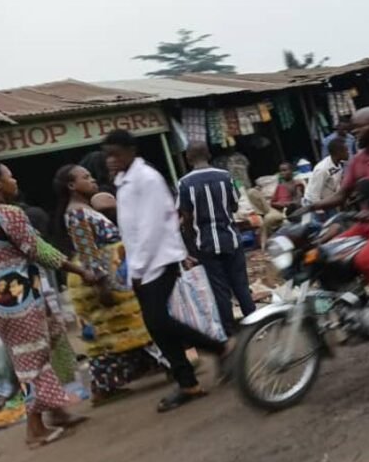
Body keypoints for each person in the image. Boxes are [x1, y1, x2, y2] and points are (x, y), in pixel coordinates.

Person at [103, 130, 229, 413]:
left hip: (158, 260)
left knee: (159, 321)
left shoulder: (146, 179)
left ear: (130, 151)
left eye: (116, 153)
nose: (111, 160)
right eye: (107, 154)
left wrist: (136, 269)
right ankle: (188, 382)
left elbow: (151, 229)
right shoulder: (124, 182)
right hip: (143, 263)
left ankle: (218, 348)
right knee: (156, 325)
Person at [0, 162, 97, 447]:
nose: (14, 180)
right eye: (9, 176)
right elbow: (38, 250)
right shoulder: (8, 214)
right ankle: (34, 430)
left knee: (39, 350)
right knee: (32, 360)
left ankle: (57, 412)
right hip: (19, 296)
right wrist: (80, 270)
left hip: (0, 301)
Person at [53, 164, 162, 405]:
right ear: (72, 186)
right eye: (86, 177)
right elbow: (88, 251)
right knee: (110, 333)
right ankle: (102, 388)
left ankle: (153, 366)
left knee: (125, 327)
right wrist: (102, 285)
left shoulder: (84, 209)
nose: (92, 180)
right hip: (105, 279)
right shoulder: (77, 213)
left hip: (114, 274)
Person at [300, 107, 369, 330]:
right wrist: (309, 206)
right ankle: (353, 301)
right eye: (353, 128)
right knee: (325, 254)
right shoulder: (357, 160)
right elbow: (341, 195)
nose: (354, 133)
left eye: (359, 127)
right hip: (366, 225)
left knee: (366, 260)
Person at [176, 142, 256, 338]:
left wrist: (191, 243)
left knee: (219, 289)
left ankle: (229, 331)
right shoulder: (225, 176)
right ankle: (256, 324)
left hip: (205, 244)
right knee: (241, 285)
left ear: (188, 158)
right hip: (231, 239)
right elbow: (235, 207)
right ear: (209, 154)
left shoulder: (184, 183)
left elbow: (186, 217)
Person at [304, 136, 349, 209]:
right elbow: (313, 194)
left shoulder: (339, 164)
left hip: (328, 202)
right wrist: (320, 211)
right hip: (316, 204)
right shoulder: (322, 169)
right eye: (346, 150)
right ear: (338, 152)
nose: (348, 153)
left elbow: (335, 184)